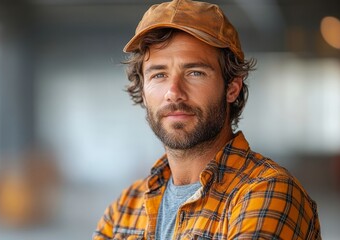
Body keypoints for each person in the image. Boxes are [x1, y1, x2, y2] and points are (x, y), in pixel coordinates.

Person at [93, 0, 321, 239]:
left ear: (232, 88)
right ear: (142, 90)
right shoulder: (124, 209)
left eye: (195, 73)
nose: (174, 92)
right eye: (159, 74)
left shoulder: (267, 192)